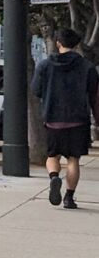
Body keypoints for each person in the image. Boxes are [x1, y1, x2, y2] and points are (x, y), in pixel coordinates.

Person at [31, 28, 99, 209]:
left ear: (58, 43)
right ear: (76, 44)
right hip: (78, 120)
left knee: (52, 155)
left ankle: (54, 177)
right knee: (73, 159)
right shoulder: (87, 67)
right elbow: (94, 96)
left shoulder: (44, 66)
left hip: (53, 119)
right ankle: (69, 198)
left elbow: (36, 91)